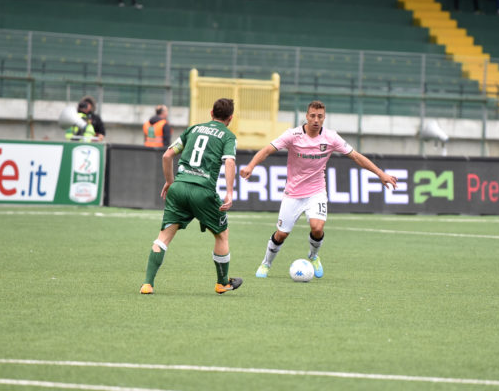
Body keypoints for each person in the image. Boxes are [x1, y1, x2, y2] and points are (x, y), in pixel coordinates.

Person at [239, 100, 398, 279]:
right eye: (313, 116)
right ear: (307, 116)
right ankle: (266, 263)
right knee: (282, 234)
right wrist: (250, 166)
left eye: (320, 116)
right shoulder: (293, 135)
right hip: (293, 193)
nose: (316, 120)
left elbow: (355, 156)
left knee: (317, 227)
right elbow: (267, 150)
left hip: (316, 192)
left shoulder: (331, 137)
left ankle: (313, 256)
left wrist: (380, 173)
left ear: (324, 118)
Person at [139, 98, 242, 295]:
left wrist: (170, 181)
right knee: (221, 234)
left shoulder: (193, 129)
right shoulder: (228, 136)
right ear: (230, 118)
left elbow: (167, 155)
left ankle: (147, 284)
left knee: (163, 237)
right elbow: (229, 161)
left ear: (211, 113)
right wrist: (229, 192)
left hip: (178, 188)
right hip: (203, 191)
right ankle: (222, 283)